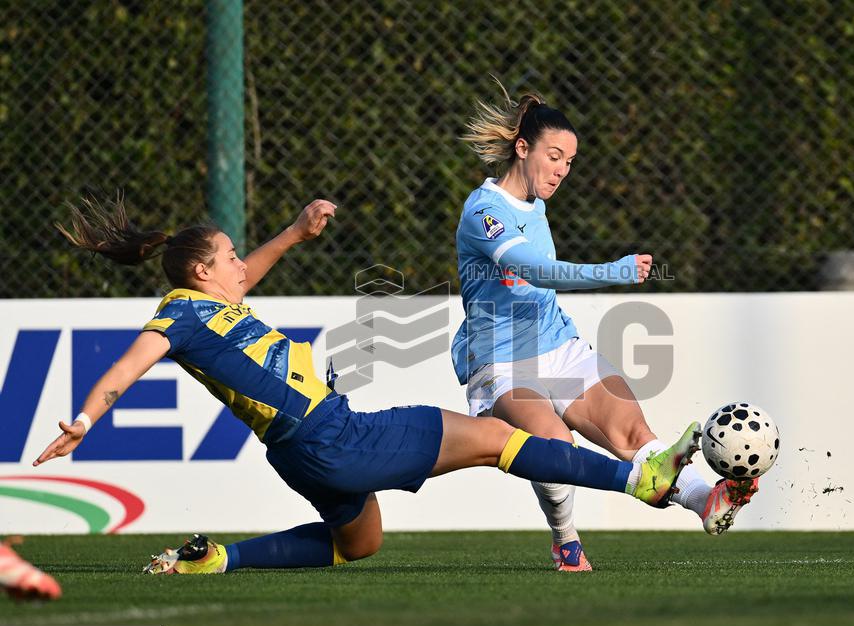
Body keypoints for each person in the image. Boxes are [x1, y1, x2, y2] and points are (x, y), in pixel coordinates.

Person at [33, 197, 701, 575]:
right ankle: (636, 480)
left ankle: (217, 561)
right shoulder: (175, 318)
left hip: (301, 454)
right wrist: (86, 421)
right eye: (230, 255)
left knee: (359, 543)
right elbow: (126, 369)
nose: (241, 263)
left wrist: (294, 232)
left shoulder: (209, 304)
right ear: (203, 270)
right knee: (499, 437)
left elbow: (247, 275)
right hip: (337, 434)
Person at [453, 84, 759, 571]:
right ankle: (565, 539)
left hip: (560, 347)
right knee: (555, 447)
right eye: (554, 156)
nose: (562, 170)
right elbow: (536, 271)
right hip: (501, 364)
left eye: (569, 162)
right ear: (522, 147)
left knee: (634, 431)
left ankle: (707, 501)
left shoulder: (537, 206)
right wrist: (612, 272)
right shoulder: (483, 212)